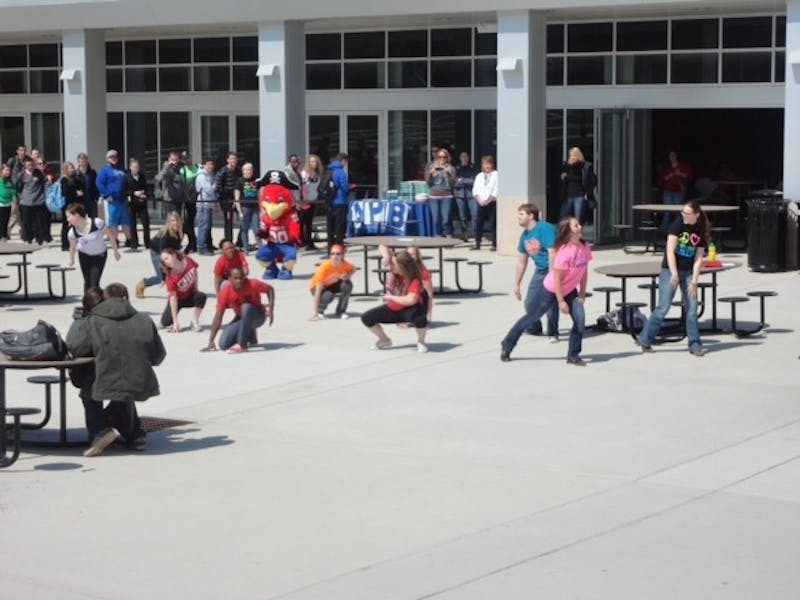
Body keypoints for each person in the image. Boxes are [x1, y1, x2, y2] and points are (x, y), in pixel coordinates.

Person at [67, 282, 166, 457]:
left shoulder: (93, 321)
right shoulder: (144, 319)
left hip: (103, 381)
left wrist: (80, 321)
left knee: (91, 389)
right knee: (123, 388)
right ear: (126, 298)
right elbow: (158, 356)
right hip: (140, 380)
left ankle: (100, 432)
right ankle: (135, 434)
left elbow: (75, 347)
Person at [500, 216, 592, 366]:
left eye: (579, 224)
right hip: (551, 289)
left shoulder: (584, 246)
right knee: (531, 317)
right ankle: (507, 345)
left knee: (580, 320)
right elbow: (556, 279)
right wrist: (561, 301)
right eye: (576, 226)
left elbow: (584, 270)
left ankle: (573, 356)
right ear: (569, 232)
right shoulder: (564, 253)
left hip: (570, 290)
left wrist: (582, 292)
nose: (580, 227)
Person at [638, 200, 710, 357]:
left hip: (689, 272)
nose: (683, 215)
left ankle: (695, 344)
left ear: (696, 215)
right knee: (663, 308)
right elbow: (670, 250)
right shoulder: (677, 224)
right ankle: (645, 340)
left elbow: (698, 258)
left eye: (687, 213)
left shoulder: (700, 229)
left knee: (692, 309)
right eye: (682, 212)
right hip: (670, 270)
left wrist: (694, 281)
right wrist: (674, 274)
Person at [503, 203, 560, 343]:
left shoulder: (544, 228)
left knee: (550, 303)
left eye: (521, 214)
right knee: (530, 302)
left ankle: (553, 332)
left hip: (554, 269)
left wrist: (552, 276)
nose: (518, 217)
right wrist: (517, 283)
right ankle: (535, 327)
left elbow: (552, 252)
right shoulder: (525, 236)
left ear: (531, 216)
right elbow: (522, 262)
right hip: (540, 271)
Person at [360, 250, 429, 353]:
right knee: (367, 317)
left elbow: (411, 299)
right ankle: (384, 340)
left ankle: (421, 342)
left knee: (420, 319)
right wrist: (386, 255)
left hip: (411, 309)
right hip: (395, 308)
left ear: (403, 266)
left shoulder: (415, 279)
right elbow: (383, 246)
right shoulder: (393, 274)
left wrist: (391, 297)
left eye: (394, 264)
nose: (391, 266)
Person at [201, 267, 274, 354]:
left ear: (244, 277)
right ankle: (250, 334)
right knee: (223, 344)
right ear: (229, 279)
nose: (239, 281)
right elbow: (218, 316)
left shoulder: (252, 283)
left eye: (241, 277)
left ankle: (242, 345)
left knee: (245, 307)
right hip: (241, 317)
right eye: (235, 278)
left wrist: (271, 310)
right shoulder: (225, 293)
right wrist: (211, 341)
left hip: (258, 316)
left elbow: (270, 289)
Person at [66, 202, 121, 292]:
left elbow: (110, 235)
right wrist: (71, 259)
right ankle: (87, 304)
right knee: (87, 282)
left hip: (99, 255)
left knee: (94, 283)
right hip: (84, 255)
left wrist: (116, 251)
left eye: (69, 216)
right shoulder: (72, 233)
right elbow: (72, 247)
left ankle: (98, 302)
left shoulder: (97, 223)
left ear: (77, 215)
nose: (68, 220)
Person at [135, 211, 185, 299]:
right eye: (172, 220)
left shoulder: (181, 230)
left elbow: (190, 241)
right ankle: (143, 283)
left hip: (169, 252)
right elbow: (162, 251)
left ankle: (179, 291)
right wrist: (164, 266)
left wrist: (183, 253)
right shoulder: (166, 233)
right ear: (168, 222)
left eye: (177, 220)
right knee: (161, 278)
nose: (175, 222)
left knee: (178, 271)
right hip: (157, 253)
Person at [160, 247, 206, 333]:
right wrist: (175, 321)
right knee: (165, 322)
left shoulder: (188, 260)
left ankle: (194, 321)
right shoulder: (170, 276)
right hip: (177, 300)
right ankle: (167, 321)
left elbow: (195, 271)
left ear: (173, 255)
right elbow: (173, 298)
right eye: (163, 260)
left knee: (201, 296)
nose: (166, 261)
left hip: (189, 296)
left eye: (167, 258)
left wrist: (196, 288)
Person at [308, 243, 355, 320]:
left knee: (347, 285)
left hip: (331, 284)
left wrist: (348, 276)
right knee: (328, 296)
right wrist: (314, 312)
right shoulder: (325, 266)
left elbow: (353, 269)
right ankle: (320, 311)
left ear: (342, 255)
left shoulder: (344, 264)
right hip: (317, 287)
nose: (335, 256)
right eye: (332, 254)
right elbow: (318, 291)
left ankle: (340, 311)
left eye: (338, 254)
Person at [96, 149, 131, 247]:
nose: (113, 159)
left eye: (115, 157)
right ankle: (115, 240)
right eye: (111, 157)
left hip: (124, 200)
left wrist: (129, 198)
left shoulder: (123, 170)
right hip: (112, 201)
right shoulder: (104, 171)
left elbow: (129, 183)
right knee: (113, 222)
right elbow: (99, 184)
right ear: (107, 159)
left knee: (126, 221)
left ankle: (129, 239)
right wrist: (106, 195)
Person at [657, 150, 694, 232]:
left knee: (678, 212)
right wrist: (670, 175)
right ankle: (664, 231)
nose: (672, 157)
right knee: (667, 212)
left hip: (679, 191)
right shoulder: (665, 167)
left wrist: (679, 173)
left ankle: (678, 230)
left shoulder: (683, 166)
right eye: (670, 155)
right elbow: (661, 180)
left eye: (673, 155)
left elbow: (689, 177)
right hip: (668, 191)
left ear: (677, 156)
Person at [16, 156, 49, 244]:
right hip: (26, 202)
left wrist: (45, 195)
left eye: (32, 165)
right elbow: (18, 188)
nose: (30, 167)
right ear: (25, 165)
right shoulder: (21, 175)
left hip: (39, 201)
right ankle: (28, 239)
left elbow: (45, 183)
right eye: (28, 165)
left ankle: (39, 239)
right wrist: (21, 197)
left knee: (39, 222)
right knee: (27, 222)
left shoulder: (39, 173)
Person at [559, 147, 596, 226]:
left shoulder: (584, 165)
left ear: (578, 156)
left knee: (578, 219)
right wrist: (564, 175)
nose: (572, 157)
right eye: (571, 155)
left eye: (574, 155)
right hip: (568, 195)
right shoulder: (566, 164)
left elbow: (584, 179)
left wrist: (567, 176)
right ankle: (564, 235)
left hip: (579, 195)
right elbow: (563, 176)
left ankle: (578, 236)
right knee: (563, 218)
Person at [426, 148, 457, 237]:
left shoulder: (451, 168)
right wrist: (431, 173)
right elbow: (428, 183)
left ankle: (448, 235)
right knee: (436, 219)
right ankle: (438, 236)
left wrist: (448, 174)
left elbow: (453, 183)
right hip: (434, 195)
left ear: (447, 158)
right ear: (436, 158)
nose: (442, 159)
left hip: (446, 195)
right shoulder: (431, 167)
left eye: (444, 157)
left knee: (446, 218)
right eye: (440, 157)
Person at [471, 154, 498, 251]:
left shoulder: (496, 174)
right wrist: (479, 200)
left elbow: (496, 189)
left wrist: (488, 200)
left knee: (493, 223)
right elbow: (476, 190)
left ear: (492, 164)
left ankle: (494, 243)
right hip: (481, 202)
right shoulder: (479, 176)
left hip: (492, 202)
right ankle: (477, 243)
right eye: (485, 164)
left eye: (489, 164)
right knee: (478, 222)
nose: (487, 166)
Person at [214, 151, 240, 243]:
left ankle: (240, 241)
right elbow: (217, 187)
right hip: (226, 200)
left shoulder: (238, 171)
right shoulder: (222, 172)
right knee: (228, 220)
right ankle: (229, 242)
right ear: (227, 160)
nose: (234, 161)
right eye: (231, 159)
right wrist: (218, 202)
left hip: (236, 199)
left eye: (235, 159)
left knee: (244, 216)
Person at [326, 152, 350, 251]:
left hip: (330, 201)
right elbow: (344, 187)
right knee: (340, 225)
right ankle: (339, 245)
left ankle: (330, 246)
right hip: (340, 201)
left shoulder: (329, 170)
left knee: (330, 226)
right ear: (344, 161)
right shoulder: (340, 171)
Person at [59, 161, 85, 251]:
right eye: (70, 168)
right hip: (67, 206)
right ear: (66, 169)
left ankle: (76, 242)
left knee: (77, 225)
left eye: (73, 168)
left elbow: (81, 187)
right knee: (66, 225)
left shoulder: (75, 179)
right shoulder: (64, 180)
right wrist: (76, 193)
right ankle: (65, 244)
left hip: (76, 205)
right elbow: (65, 193)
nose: (72, 170)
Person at [234, 162, 260, 253]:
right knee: (244, 229)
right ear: (243, 171)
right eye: (246, 169)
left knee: (257, 229)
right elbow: (236, 198)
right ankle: (246, 249)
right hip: (245, 208)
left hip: (255, 208)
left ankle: (261, 248)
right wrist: (240, 212)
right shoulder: (239, 182)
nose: (248, 171)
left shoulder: (255, 181)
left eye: (250, 169)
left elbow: (259, 195)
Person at [125, 158, 150, 251]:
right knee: (132, 224)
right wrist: (134, 193)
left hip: (142, 203)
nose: (136, 169)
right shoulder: (126, 178)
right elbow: (124, 191)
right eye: (134, 167)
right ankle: (134, 244)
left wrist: (144, 193)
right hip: (132, 203)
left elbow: (146, 188)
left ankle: (147, 243)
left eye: (137, 167)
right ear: (130, 167)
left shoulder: (142, 176)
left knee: (146, 223)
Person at [301, 154, 324, 250]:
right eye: (312, 162)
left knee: (310, 222)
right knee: (303, 222)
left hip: (313, 200)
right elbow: (301, 187)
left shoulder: (318, 174)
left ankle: (310, 242)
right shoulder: (304, 173)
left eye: (315, 162)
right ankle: (303, 243)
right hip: (304, 201)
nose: (314, 164)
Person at [454, 151, 478, 242]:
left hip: (471, 195)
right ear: (460, 158)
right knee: (462, 216)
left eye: (466, 156)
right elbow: (454, 183)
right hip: (460, 195)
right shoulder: (456, 168)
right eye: (462, 156)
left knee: (475, 215)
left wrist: (462, 180)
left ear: (468, 158)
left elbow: (474, 181)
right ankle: (465, 235)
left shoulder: (473, 168)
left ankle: (476, 235)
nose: (464, 158)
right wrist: (463, 182)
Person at [178, 150, 200, 253]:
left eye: (188, 157)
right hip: (188, 201)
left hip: (199, 199)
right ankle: (193, 243)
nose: (187, 160)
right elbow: (182, 186)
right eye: (185, 159)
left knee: (202, 222)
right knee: (188, 223)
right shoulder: (183, 171)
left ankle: (196, 243)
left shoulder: (198, 167)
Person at [195, 158, 217, 255]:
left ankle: (207, 245)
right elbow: (209, 190)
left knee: (207, 226)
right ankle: (201, 247)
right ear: (204, 165)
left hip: (209, 204)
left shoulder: (210, 175)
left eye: (212, 164)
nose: (210, 166)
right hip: (203, 204)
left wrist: (215, 203)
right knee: (203, 226)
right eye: (208, 164)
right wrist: (215, 186)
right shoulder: (201, 176)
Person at [76, 152, 99, 219]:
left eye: (84, 160)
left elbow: (96, 185)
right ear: (78, 161)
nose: (83, 162)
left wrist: (97, 197)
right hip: (80, 200)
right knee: (80, 219)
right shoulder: (75, 173)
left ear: (87, 161)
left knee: (93, 219)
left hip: (91, 198)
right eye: (81, 160)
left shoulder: (92, 172)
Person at [0, 163, 15, 242]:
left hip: (8, 204)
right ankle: (2, 237)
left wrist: (12, 195)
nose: (8, 172)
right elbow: (3, 192)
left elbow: (13, 190)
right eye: (6, 170)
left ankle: (4, 237)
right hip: (1, 204)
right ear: (1, 171)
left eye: (9, 170)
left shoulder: (9, 181)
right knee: (1, 222)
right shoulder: (1, 180)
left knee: (6, 222)